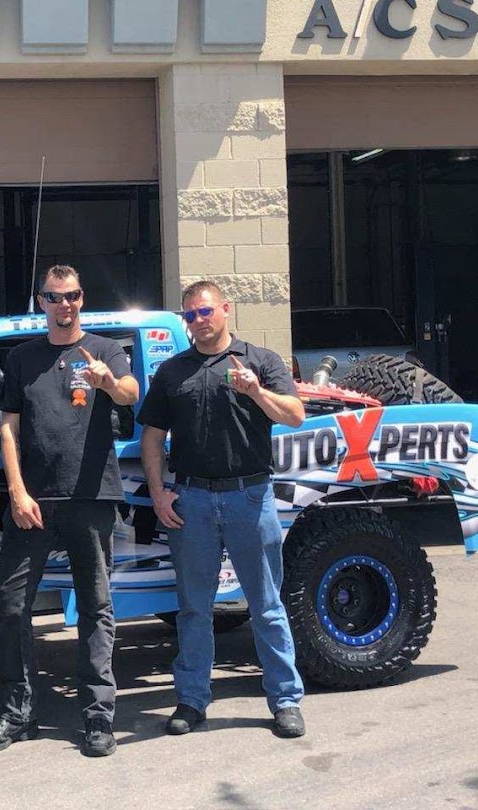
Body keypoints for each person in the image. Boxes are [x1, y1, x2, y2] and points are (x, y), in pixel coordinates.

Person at [0, 265, 139, 759]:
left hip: (91, 497)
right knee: (11, 604)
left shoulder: (105, 350)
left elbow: (131, 393)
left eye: (71, 296)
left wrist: (109, 382)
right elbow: (8, 429)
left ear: (82, 298)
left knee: (96, 608)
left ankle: (98, 716)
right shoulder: (22, 358)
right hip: (33, 503)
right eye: (54, 297)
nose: (64, 304)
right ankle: (19, 713)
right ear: (41, 301)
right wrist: (17, 492)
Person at [137, 280, 308, 739]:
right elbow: (152, 435)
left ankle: (285, 701)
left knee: (266, 605)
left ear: (225, 309)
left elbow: (295, 415)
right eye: (190, 315)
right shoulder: (172, 371)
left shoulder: (260, 361)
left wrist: (256, 392)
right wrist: (158, 493)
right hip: (191, 499)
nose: (198, 321)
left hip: (249, 497)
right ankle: (192, 700)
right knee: (194, 609)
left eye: (205, 311)